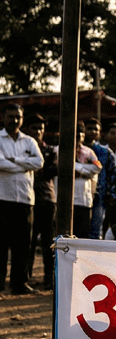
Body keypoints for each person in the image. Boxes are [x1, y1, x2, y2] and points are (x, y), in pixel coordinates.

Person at [0, 104, 44, 294]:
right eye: (11, 116)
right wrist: (25, 165)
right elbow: (0, 163)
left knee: (23, 244)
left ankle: (19, 284)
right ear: (3, 117)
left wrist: (13, 161)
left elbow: (39, 162)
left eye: (18, 117)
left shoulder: (29, 141)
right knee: (1, 244)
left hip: (25, 200)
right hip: (3, 198)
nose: (14, 120)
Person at [25, 115, 56, 285]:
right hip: (26, 199)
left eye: (40, 128)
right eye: (34, 128)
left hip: (46, 198)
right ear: (27, 130)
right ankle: (25, 278)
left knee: (48, 241)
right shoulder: (23, 148)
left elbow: (51, 170)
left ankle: (49, 278)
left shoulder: (50, 150)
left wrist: (24, 166)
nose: (37, 131)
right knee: (27, 241)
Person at [68, 122, 102, 242]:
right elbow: (62, 167)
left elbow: (98, 167)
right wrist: (87, 170)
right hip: (66, 201)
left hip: (84, 201)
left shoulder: (89, 152)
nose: (77, 138)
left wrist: (79, 170)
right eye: (75, 135)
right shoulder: (60, 150)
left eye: (80, 135)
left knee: (82, 236)